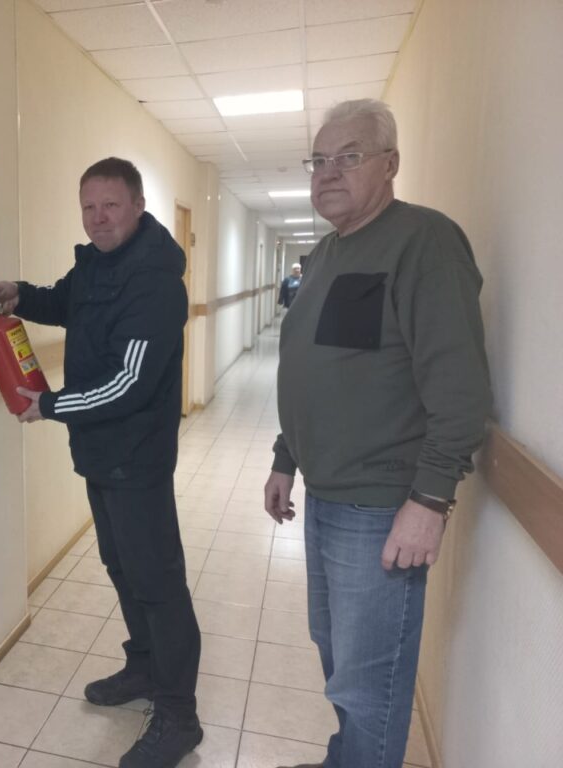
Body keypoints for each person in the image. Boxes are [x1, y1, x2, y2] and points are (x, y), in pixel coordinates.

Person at [264, 99, 492, 768]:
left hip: (381, 507)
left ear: (390, 164)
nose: (328, 172)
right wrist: (285, 458)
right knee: (337, 657)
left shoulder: (423, 242)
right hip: (326, 495)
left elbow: (460, 388)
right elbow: (312, 368)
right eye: (319, 160)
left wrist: (430, 500)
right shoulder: (324, 254)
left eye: (349, 156)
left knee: (369, 684)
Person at [0, 157, 202, 768]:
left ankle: (178, 716)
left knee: (157, 582)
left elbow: (129, 384)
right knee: (122, 568)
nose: (99, 217)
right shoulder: (96, 265)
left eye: (111, 205)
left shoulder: (155, 281)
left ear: (138, 206)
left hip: (138, 459)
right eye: (89, 206)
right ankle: (144, 668)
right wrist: (21, 295)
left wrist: (51, 405)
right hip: (100, 456)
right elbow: (66, 301)